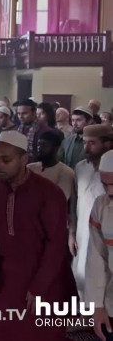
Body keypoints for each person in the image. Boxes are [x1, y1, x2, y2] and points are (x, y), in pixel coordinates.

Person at [0, 131, 76, 341]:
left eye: (6, 160)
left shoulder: (49, 193)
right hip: (5, 277)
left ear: (24, 159)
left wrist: (39, 286)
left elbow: (56, 244)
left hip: (42, 277)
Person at [71, 124, 113, 297]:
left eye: (92, 143)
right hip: (83, 232)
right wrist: (72, 232)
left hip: (106, 235)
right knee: (82, 277)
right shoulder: (80, 168)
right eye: (84, 143)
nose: (86, 148)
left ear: (107, 144)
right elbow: (75, 202)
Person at [85, 150, 113, 341]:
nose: (109, 192)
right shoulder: (101, 206)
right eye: (105, 184)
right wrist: (97, 305)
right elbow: (96, 258)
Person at [27, 130, 75, 205]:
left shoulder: (66, 172)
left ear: (55, 149)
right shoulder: (30, 168)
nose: (39, 148)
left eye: (44, 146)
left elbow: (59, 199)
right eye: (38, 145)